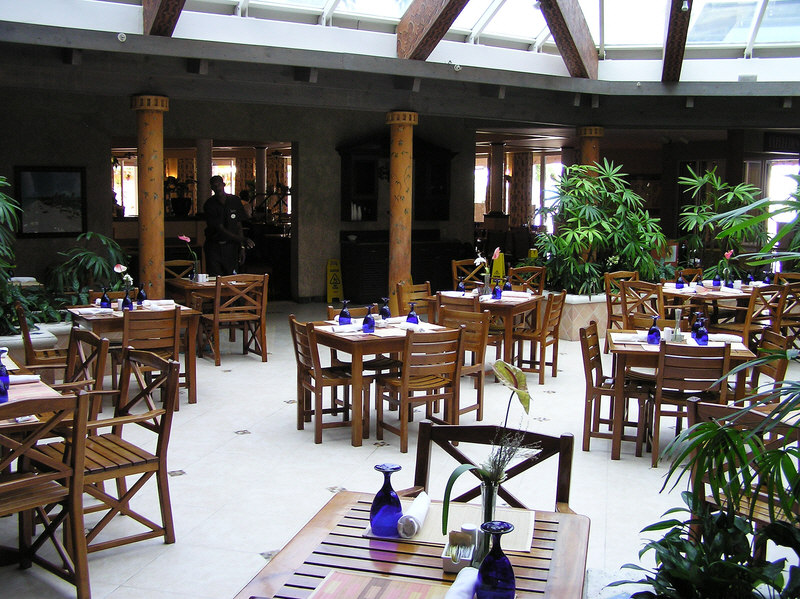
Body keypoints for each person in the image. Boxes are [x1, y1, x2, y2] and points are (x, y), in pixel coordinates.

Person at [203, 175, 254, 276]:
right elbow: (220, 228)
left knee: (232, 279)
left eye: (219, 184)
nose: (217, 187)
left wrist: (242, 247)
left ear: (223, 185)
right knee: (216, 280)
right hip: (215, 247)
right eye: (214, 185)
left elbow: (239, 225)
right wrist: (241, 239)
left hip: (231, 248)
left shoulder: (234, 201)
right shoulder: (209, 204)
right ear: (211, 188)